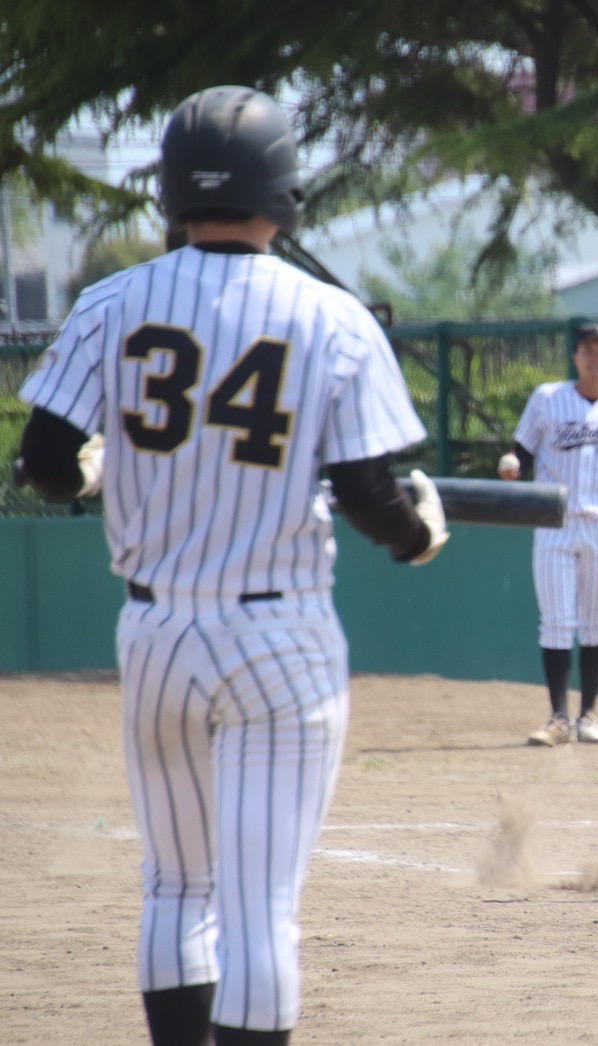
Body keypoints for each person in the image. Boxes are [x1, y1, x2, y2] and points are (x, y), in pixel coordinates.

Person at [14, 85, 449, 1045]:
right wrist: (420, 532)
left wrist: (88, 474)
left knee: (175, 886)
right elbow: (371, 497)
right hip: (277, 636)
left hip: (157, 631)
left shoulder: (111, 300)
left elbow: (43, 461)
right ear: (282, 190)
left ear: (172, 192)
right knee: (259, 911)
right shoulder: (329, 316)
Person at [498, 320, 598, 746]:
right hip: (555, 522)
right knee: (556, 622)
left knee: (595, 623)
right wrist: (511, 463)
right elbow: (523, 452)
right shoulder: (548, 399)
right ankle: (557, 719)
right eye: (588, 349)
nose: (596, 358)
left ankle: (588, 715)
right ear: (576, 357)